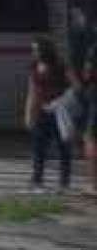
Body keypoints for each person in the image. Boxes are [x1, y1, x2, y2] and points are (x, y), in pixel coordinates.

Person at [27, 36, 74, 191]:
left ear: (44, 50)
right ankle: (36, 180)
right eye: (33, 50)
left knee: (64, 147)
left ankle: (64, 182)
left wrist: (62, 100)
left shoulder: (60, 66)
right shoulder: (34, 67)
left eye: (36, 49)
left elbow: (76, 86)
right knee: (38, 147)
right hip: (42, 110)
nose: (33, 52)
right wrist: (29, 113)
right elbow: (32, 91)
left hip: (59, 110)